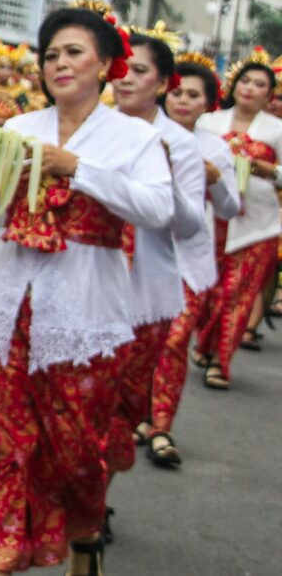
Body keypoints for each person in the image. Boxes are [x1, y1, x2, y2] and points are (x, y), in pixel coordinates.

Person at [0, 5, 173, 576]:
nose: (59, 63)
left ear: (106, 64)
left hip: (85, 307)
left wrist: (77, 168)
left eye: (73, 52)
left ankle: (83, 538)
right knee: (2, 439)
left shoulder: (134, 137)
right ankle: (3, 553)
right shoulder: (15, 129)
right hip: (4, 304)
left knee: (77, 444)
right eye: (51, 54)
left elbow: (158, 208)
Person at [104, 28, 205, 482]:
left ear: (163, 83)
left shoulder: (180, 144)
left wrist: (163, 179)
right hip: (88, 282)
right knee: (83, 399)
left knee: (122, 403)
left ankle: (95, 499)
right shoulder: (91, 130)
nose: (125, 79)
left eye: (139, 71)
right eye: (121, 68)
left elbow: (189, 225)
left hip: (146, 291)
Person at [147, 53, 240, 465]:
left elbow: (230, 209)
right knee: (137, 346)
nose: (183, 101)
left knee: (173, 342)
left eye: (194, 95)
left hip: (188, 260)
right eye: (178, 92)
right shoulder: (138, 134)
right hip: (137, 257)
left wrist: (215, 180)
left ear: (208, 103)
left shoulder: (215, 148)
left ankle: (161, 427)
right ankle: (135, 414)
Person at [195, 48, 282, 387]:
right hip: (210, 216)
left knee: (239, 293)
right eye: (245, 80)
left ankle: (220, 361)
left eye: (259, 84)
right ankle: (204, 342)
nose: (249, 88)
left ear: (268, 94)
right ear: (234, 85)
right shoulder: (208, 122)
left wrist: (269, 170)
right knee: (210, 291)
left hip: (257, 224)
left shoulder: (276, 130)